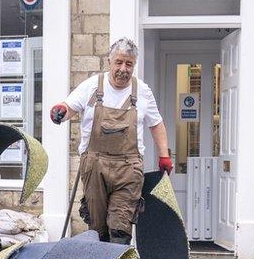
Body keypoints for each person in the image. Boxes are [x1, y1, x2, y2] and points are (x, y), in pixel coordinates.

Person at [49, 37, 172, 245]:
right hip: (94, 167)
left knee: (120, 228)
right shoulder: (91, 87)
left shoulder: (142, 91)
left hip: (128, 169)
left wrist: (164, 155)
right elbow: (70, 107)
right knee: (97, 231)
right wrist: (60, 110)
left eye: (129, 64)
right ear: (109, 62)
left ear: (134, 65)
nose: (123, 69)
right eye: (119, 62)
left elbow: (156, 123)